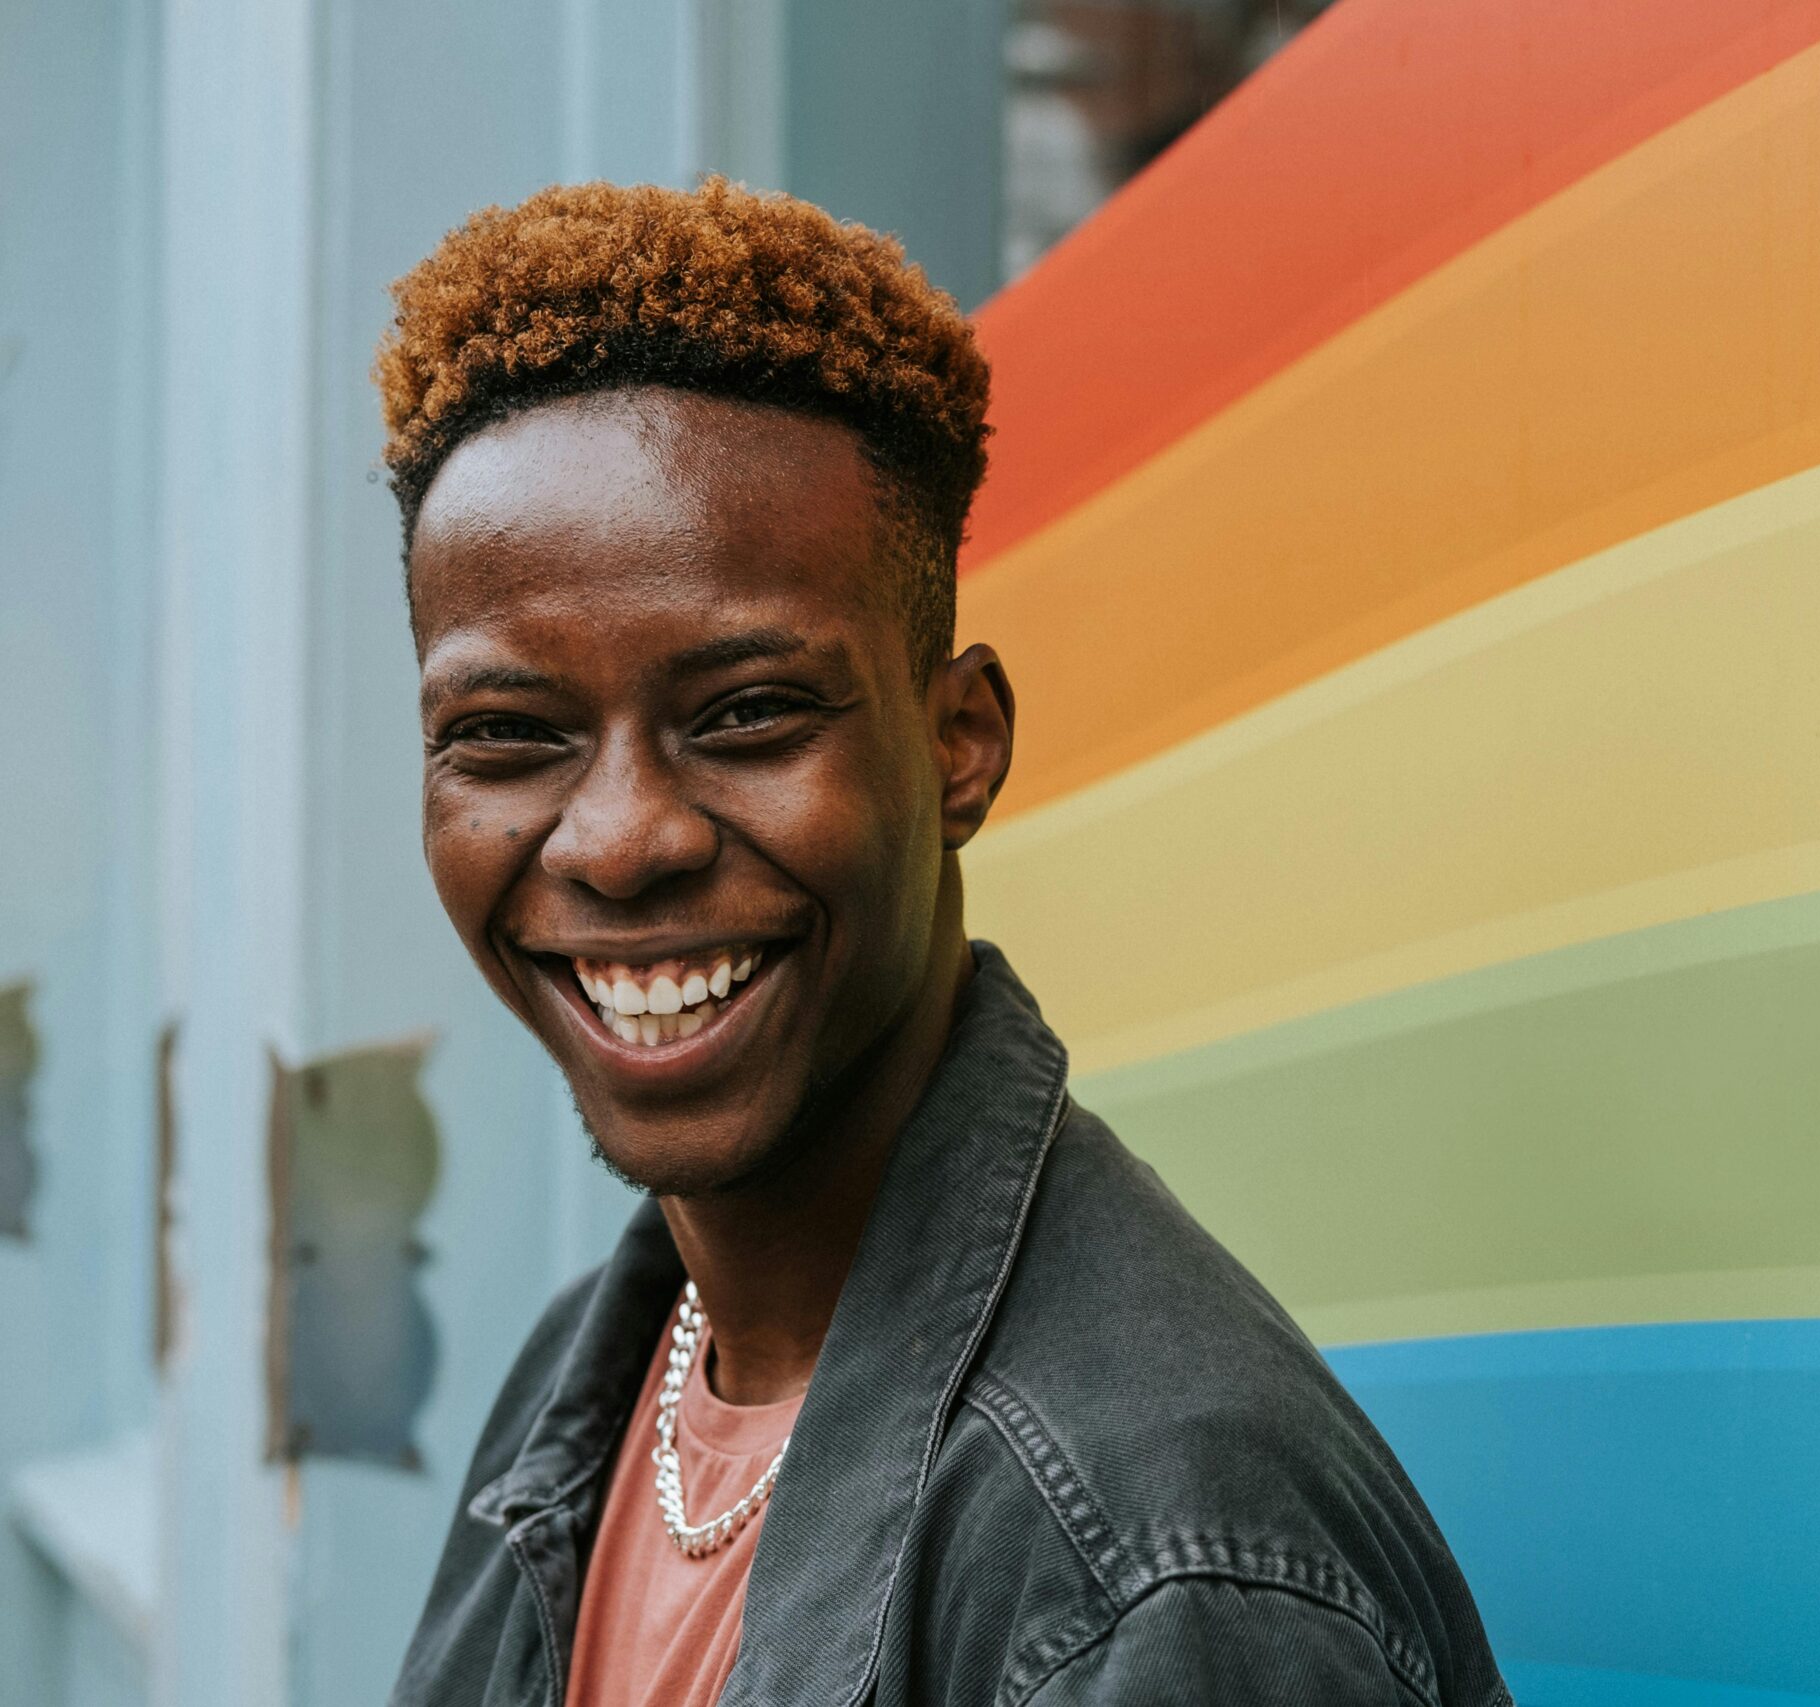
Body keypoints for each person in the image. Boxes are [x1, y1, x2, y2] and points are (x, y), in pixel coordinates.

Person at [379, 179, 1510, 1707]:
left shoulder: (1156, 1569)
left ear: (960, 744)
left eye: (748, 714)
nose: (623, 837)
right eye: (509, 735)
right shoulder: (593, 1375)